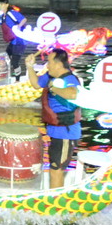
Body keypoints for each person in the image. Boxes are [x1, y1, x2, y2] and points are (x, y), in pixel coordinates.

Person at [26, 49, 81, 189]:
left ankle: (56, 201)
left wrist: (53, 88)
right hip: (54, 131)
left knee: (56, 169)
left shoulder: (70, 79)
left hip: (66, 133)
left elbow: (73, 94)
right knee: (54, 167)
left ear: (58, 64)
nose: (47, 65)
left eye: (49, 62)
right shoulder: (50, 76)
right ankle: (53, 195)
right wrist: (29, 66)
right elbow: (36, 84)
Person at [0, 0, 27, 79]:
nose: (1, 6)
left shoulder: (11, 13)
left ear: (7, 5)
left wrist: (18, 27)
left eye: (2, 4)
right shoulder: (3, 17)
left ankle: (17, 79)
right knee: (5, 57)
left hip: (19, 41)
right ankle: (4, 75)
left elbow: (24, 19)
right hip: (13, 41)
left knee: (14, 62)